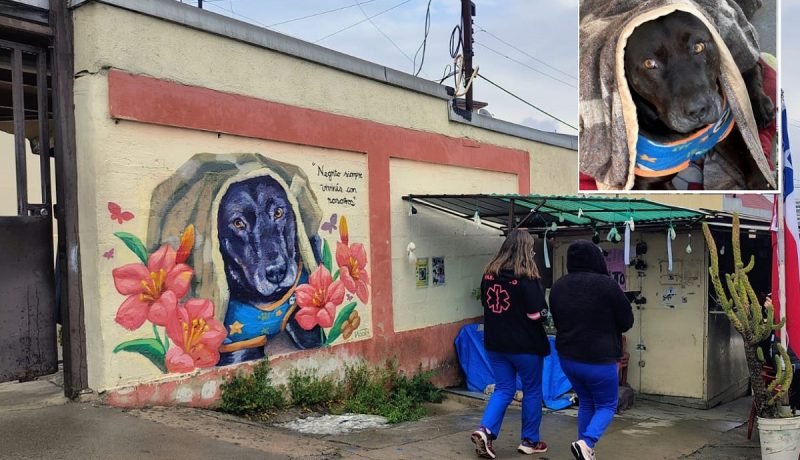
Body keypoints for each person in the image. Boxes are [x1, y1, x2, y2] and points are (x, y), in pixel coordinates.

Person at [549, 240, 634, 460]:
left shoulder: (559, 286)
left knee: (586, 401)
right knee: (607, 404)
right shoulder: (607, 285)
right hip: (600, 359)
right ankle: (587, 443)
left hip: (568, 358)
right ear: (596, 258)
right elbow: (626, 321)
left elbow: (557, 320)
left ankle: (585, 451)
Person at [471, 229, 551, 459]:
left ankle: (485, 430)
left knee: (504, 388)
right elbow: (537, 314)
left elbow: (486, 304)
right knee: (532, 390)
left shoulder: (489, 274)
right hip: (526, 345)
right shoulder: (528, 278)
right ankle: (530, 441)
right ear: (527, 251)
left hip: (496, 343)